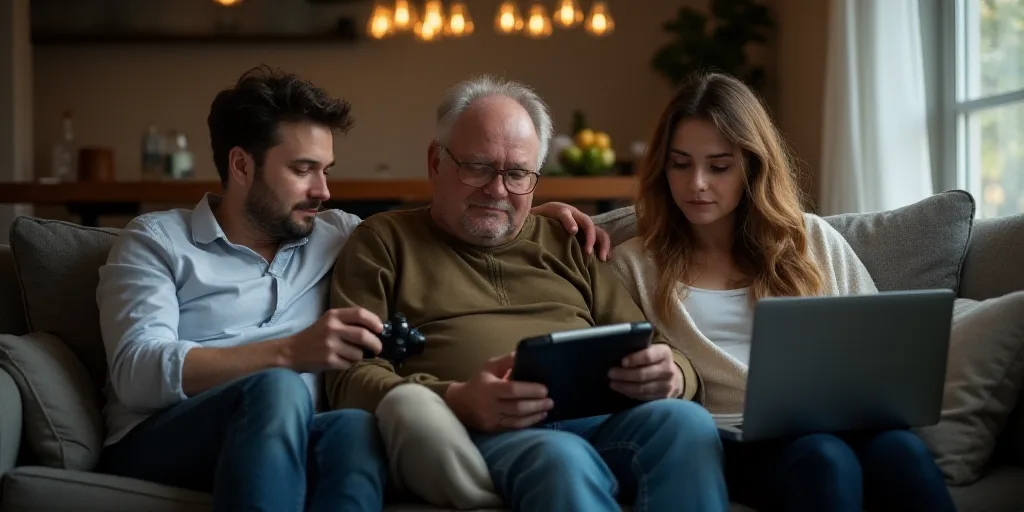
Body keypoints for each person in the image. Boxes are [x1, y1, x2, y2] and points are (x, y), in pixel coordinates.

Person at [94, 66, 608, 512]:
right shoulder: (158, 242)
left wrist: (522, 210)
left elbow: (461, 215)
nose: (324, 190)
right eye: (302, 170)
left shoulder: (336, 233)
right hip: (166, 436)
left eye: (325, 170)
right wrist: (288, 354)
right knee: (276, 390)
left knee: (354, 429)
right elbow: (137, 372)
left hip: (293, 433)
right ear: (242, 165)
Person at [326, 74, 730, 512]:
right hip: (475, 433)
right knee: (560, 458)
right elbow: (348, 379)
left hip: (598, 421)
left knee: (685, 422)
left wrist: (673, 375)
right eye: (477, 167)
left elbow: (656, 346)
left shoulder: (569, 241)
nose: (497, 190)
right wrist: (456, 398)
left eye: (517, 173)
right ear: (435, 162)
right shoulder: (383, 242)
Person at [610, 71, 957, 512]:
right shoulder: (635, 265)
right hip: (723, 438)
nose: (696, 182)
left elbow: (877, 346)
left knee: (902, 452)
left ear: (753, 166)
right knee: (825, 460)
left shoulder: (810, 241)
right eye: (680, 164)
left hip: (833, 422)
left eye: (719, 166)